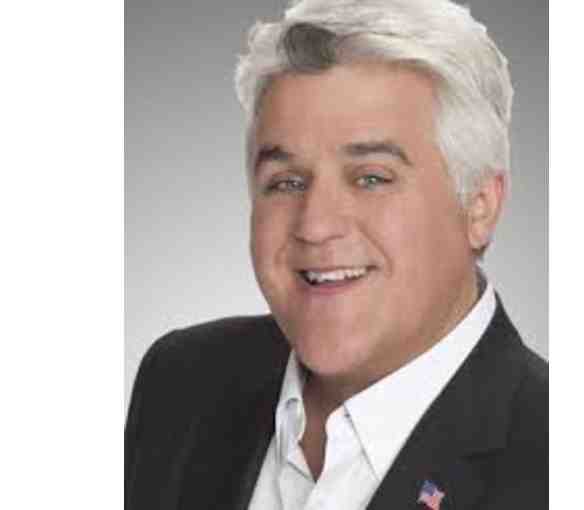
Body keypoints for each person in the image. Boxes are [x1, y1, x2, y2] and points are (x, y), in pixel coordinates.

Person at [125, 0, 548, 508]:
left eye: (371, 178)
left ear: (479, 205)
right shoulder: (181, 384)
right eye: (286, 182)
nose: (316, 225)